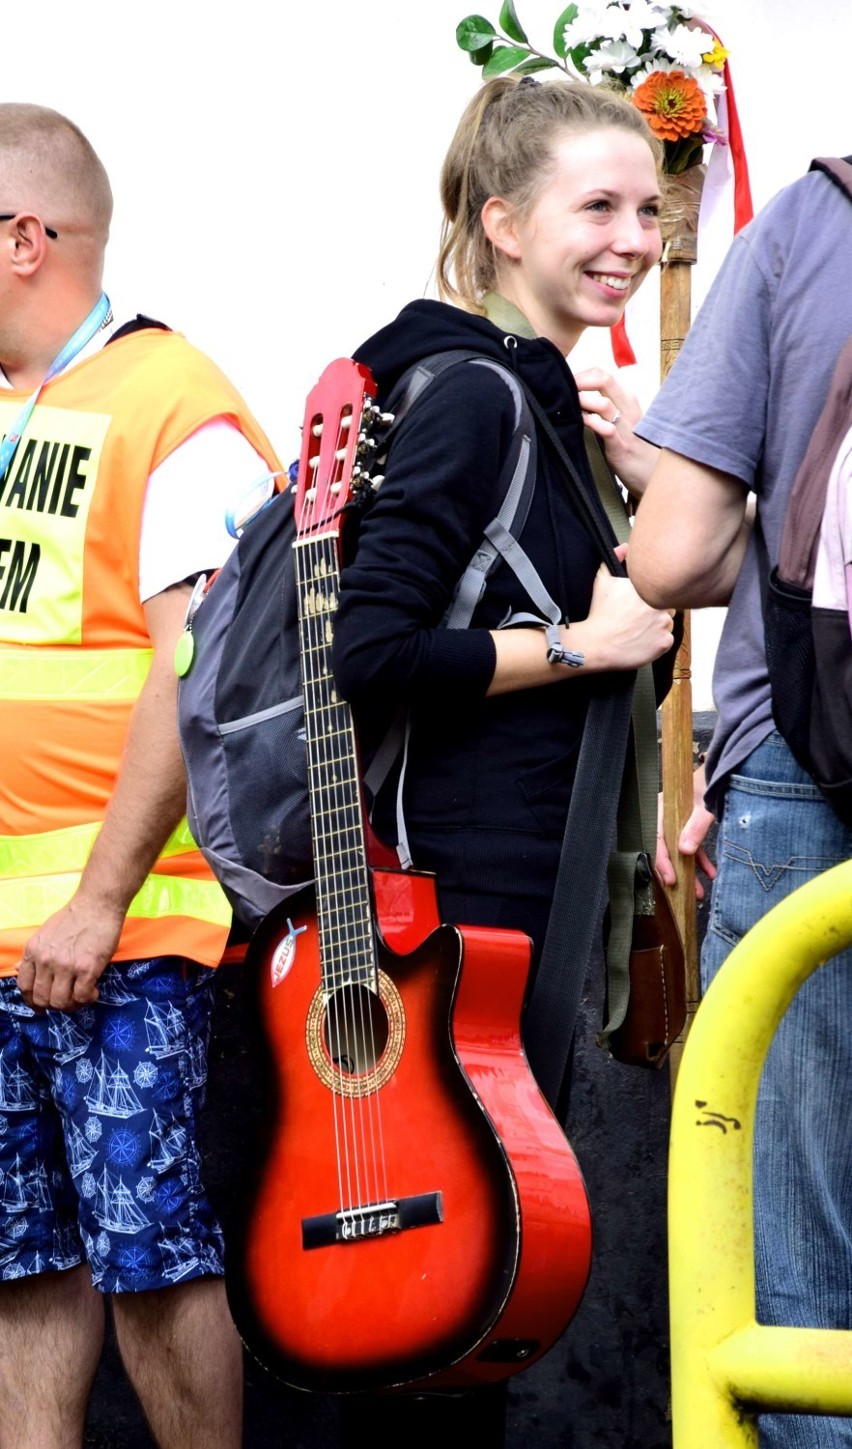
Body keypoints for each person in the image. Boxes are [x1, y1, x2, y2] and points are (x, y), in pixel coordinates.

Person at [330, 75, 674, 1445]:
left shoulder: (555, 405)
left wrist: (650, 477)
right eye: (597, 205)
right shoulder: (472, 392)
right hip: (462, 910)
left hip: (531, 903)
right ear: (503, 220)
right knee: (441, 1295)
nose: (634, 237)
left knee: (484, 1303)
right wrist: (582, 649)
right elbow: (371, 652)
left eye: (649, 207)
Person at [0, 104, 281, 1449]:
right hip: (6, 935)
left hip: (126, 936)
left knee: (154, 1265)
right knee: (23, 1266)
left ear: (23, 239)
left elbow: (200, 680)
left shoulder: (174, 406)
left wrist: (98, 902)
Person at [628, 158, 852, 1448]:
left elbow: (667, 557)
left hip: (809, 767)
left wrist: (781, 506)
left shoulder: (811, 220)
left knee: (802, 1262)